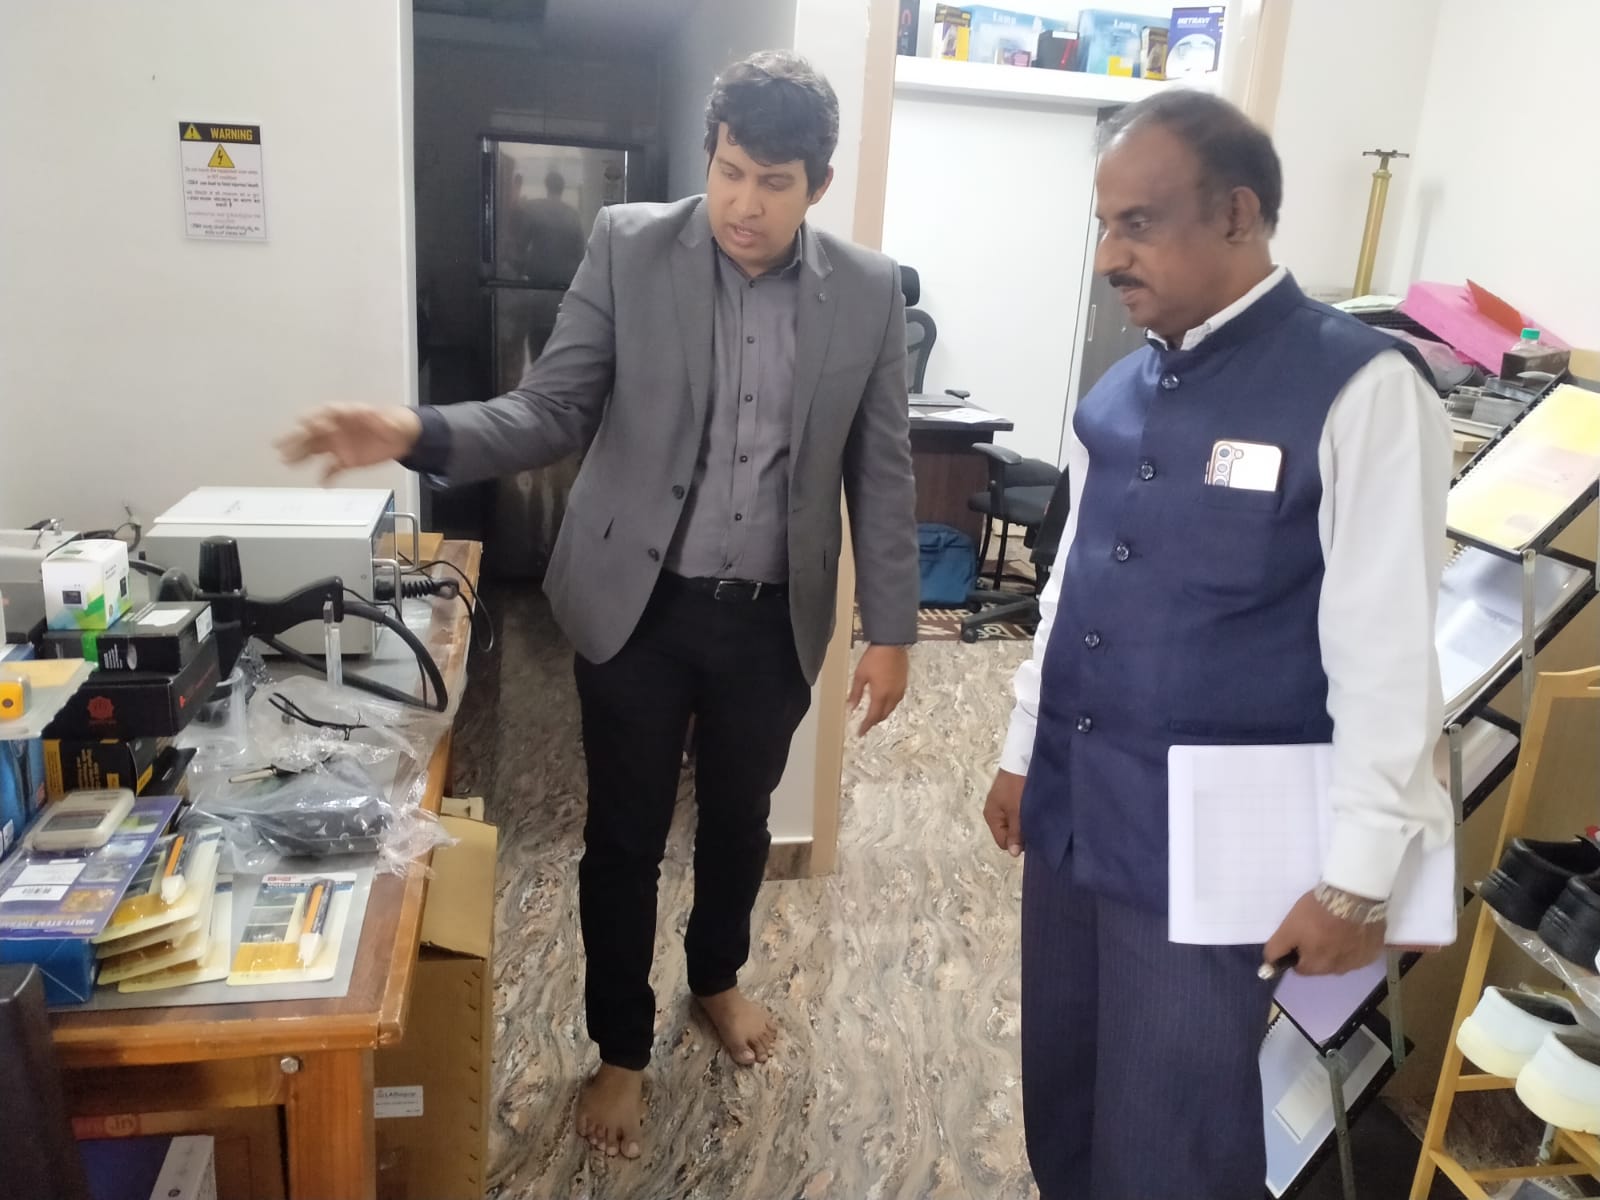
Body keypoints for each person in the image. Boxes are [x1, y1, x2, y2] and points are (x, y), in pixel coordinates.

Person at [277, 50, 918, 1160]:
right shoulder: (630, 245)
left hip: (772, 617)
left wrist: (893, 629)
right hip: (638, 606)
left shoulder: (866, 290)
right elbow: (550, 409)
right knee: (622, 834)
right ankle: (621, 1046)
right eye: (729, 172)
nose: (743, 203)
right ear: (709, 157)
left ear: (816, 185)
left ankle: (715, 978)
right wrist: (418, 430)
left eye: (773, 183)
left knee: (739, 822)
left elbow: (884, 467)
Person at [981, 91, 1452, 1199]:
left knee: (1172, 1141)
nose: (1110, 256)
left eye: (1138, 224)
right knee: (1064, 1096)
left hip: (1217, 848)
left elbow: (1387, 651)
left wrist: (1358, 880)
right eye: (1105, 226)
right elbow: (1072, 584)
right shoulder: (1118, 390)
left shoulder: (1360, 389)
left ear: (1237, 214)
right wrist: (1022, 747)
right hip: (1075, 810)